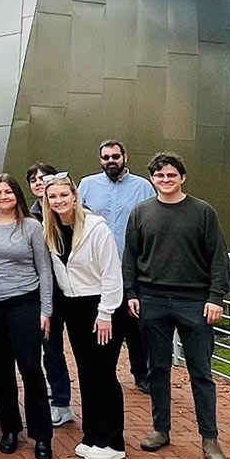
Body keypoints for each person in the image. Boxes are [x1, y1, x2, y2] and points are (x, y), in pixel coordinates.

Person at [124, 152, 230, 459]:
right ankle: (160, 429)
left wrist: (216, 297)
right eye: (159, 176)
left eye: (171, 175)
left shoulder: (203, 212)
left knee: (201, 372)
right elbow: (129, 257)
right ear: (152, 179)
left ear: (182, 177)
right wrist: (131, 292)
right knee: (158, 369)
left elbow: (218, 258)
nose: (166, 180)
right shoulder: (141, 212)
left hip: (195, 302)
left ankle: (209, 437)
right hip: (152, 301)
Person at [0, 174, 54, 459]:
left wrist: (46, 310)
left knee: (30, 366)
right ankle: (10, 429)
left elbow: (44, 269)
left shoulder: (31, 226)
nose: (2, 197)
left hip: (25, 300)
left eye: (8, 192)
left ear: (17, 195)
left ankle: (41, 434)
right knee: (2, 367)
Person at [42, 174, 125, 459]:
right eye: (53, 197)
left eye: (64, 195)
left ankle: (113, 441)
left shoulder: (95, 228)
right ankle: (92, 435)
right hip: (73, 308)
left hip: (102, 308)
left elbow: (112, 273)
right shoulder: (50, 230)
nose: (59, 201)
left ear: (75, 197)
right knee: (87, 373)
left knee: (104, 373)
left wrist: (106, 313)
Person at [78, 139, 156, 395]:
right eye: (106, 157)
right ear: (100, 160)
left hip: (131, 266)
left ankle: (141, 373)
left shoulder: (143, 187)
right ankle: (103, 370)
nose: (111, 161)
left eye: (115, 156)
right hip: (95, 269)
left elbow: (152, 222)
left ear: (125, 157)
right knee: (101, 320)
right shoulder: (87, 185)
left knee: (134, 324)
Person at [25, 162, 73, 428]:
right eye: (33, 179)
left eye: (44, 177)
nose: (38, 182)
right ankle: (60, 402)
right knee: (51, 348)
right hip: (45, 293)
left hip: (77, 292)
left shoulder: (74, 214)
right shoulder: (30, 216)